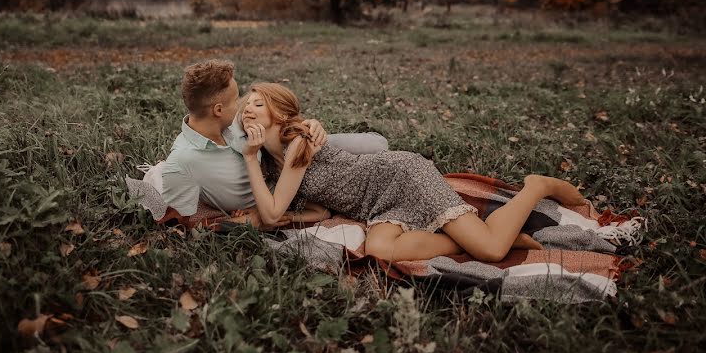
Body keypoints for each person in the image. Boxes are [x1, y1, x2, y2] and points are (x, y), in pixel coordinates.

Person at [241, 83, 587, 263]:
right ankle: (469, 240)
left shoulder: (299, 142)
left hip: (400, 177)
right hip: (378, 205)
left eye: (259, 103)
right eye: (245, 106)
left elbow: (271, 214)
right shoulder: (273, 166)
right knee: (379, 251)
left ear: (279, 112)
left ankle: (536, 186)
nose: (248, 110)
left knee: (492, 252)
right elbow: (319, 210)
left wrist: (248, 159)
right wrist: (290, 213)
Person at [159, 60, 389, 226]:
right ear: (218, 110)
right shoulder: (182, 161)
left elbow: (274, 113)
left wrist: (309, 124)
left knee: (378, 146)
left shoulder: (235, 122)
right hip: (286, 190)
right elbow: (181, 217)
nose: (243, 105)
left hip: (293, 153)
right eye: (237, 100)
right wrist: (237, 220)